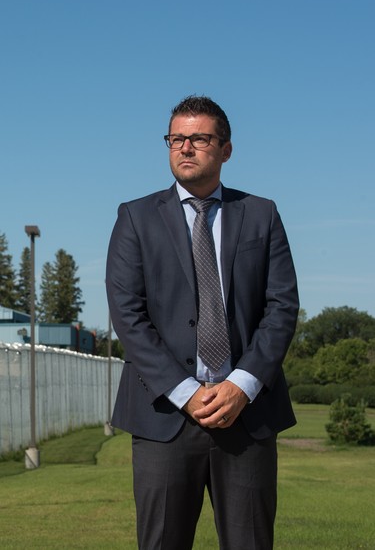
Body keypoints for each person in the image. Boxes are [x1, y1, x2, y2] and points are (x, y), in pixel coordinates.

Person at [106, 95, 299, 550]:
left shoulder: (261, 214)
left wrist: (242, 385)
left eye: (199, 138)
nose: (185, 148)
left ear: (226, 149)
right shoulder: (134, 217)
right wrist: (187, 393)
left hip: (246, 417)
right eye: (176, 138)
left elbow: (282, 306)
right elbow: (128, 316)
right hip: (164, 420)